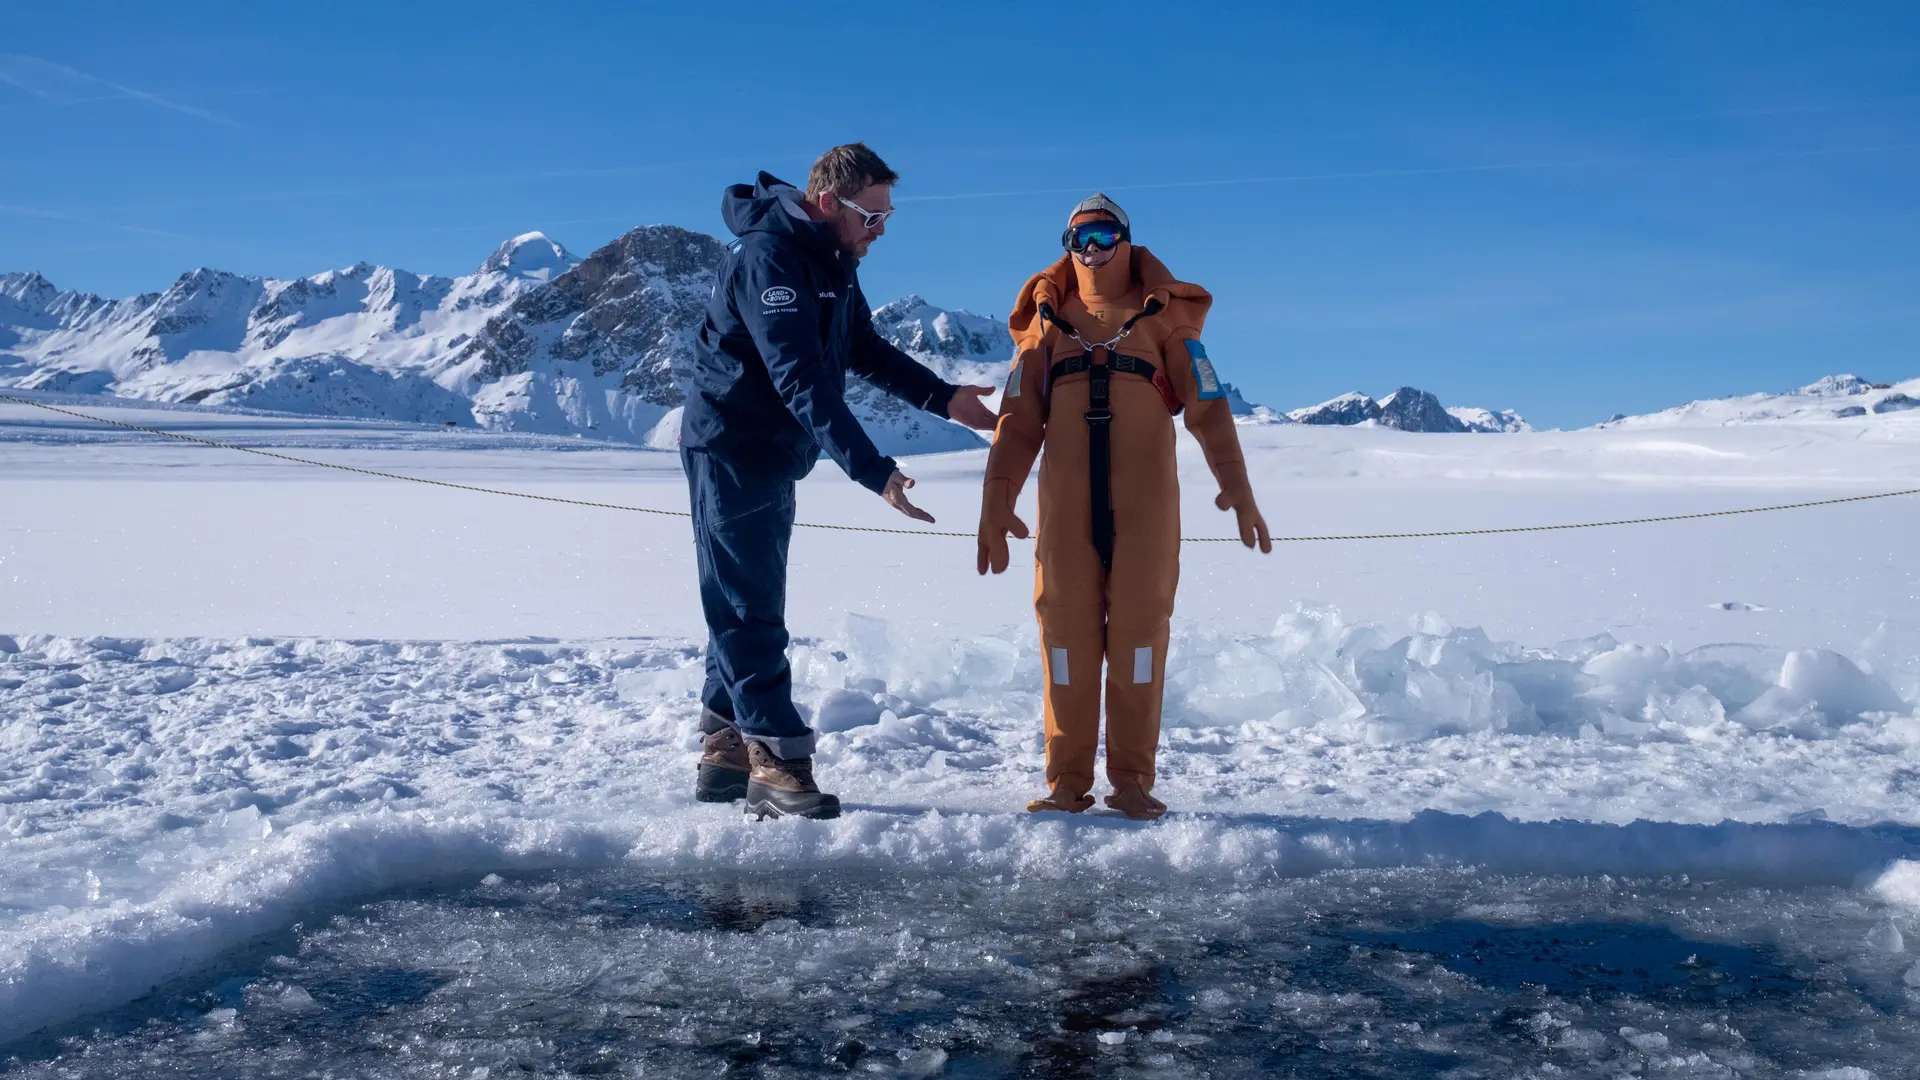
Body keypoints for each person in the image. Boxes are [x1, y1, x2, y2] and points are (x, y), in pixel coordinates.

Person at [682, 144, 998, 820]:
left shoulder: (830, 260)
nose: (879, 231)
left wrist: (945, 400)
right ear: (830, 203)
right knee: (747, 605)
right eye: (872, 216)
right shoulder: (771, 258)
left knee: (745, 590)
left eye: (887, 217)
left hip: (770, 451)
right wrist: (874, 470)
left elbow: (862, 349)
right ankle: (775, 760)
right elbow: (800, 377)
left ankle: (726, 746)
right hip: (733, 446)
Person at [977, 194, 1272, 820]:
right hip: (1065, 522)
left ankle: (1133, 781)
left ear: (1127, 241)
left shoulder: (1166, 321)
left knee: (1140, 644)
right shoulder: (1045, 328)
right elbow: (1017, 421)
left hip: (1147, 516)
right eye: (1079, 237)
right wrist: (996, 502)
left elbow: (1209, 407)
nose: (1092, 250)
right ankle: (1066, 783)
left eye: (1105, 235)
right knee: (1065, 645)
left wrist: (1237, 485)